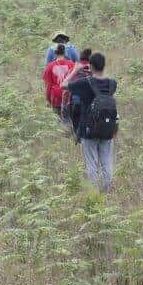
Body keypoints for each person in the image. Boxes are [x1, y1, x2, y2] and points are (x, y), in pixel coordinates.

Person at [66, 52, 118, 192]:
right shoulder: (112, 83)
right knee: (107, 163)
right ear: (104, 65)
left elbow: (64, 85)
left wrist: (75, 71)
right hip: (107, 129)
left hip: (88, 129)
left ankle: (94, 195)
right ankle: (106, 191)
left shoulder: (85, 83)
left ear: (90, 65)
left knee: (91, 164)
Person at [61, 48, 93, 134]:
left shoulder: (74, 69)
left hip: (74, 103)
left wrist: (64, 105)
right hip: (89, 105)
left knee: (75, 129)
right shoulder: (93, 70)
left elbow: (65, 89)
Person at [42, 44, 75, 119]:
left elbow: (48, 85)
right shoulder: (72, 64)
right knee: (69, 119)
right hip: (68, 96)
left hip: (55, 97)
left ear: (55, 53)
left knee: (58, 120)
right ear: (65, 52)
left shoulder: (50, 66)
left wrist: (48, 99)